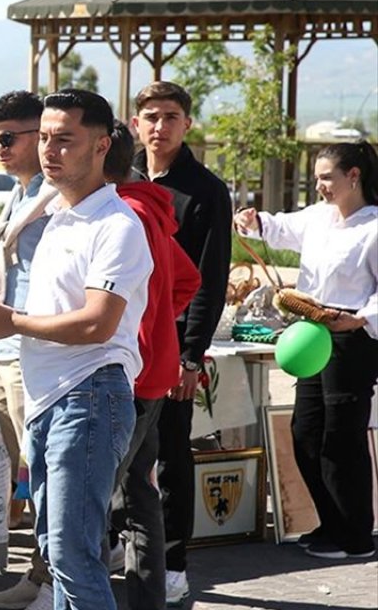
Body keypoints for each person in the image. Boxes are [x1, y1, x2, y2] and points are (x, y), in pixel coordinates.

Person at [0, 89, 152, 610]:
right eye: (45, 138)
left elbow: (98, 323)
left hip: (87, 396)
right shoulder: (59, 216)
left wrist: (13, 322)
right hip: (53, 398)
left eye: (65, 139)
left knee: (73, 556)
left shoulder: (117, 225)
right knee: (57, 552)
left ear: (101, 145)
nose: (50, 150)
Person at [234, 141, 378, 559]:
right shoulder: (318, 217)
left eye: (326, 177)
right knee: (306, 431)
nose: (319, 186)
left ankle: (354, 535)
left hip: (352, 338)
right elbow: (277, 227)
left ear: (354, 176)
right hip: (312, 330)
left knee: (342, 436)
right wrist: (252, 220)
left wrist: (361, 319)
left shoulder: (373, 227)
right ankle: (331, 523)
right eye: (316, 178)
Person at [130, 81, 232, 604]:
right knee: (120, 451)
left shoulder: (206, 190)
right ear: (135, 124)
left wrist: (191, 355)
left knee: (170, 453)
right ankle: (120, 548)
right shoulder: (120, 179)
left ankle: (173, 562)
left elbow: (209, 280)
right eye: (151, 116)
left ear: (187, 124)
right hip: (119, 338)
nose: (160, 126)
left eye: (170, 116)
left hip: (171, 345)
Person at [108, 120, 200, 610]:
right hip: (148, 370)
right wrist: (158, 321)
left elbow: (187, 281)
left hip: (133, 374)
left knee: (100, 499)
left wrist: (144, 326)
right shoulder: (146, 207)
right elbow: (186, 279)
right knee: (139, 494)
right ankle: (148, 599)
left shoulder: (128, 214)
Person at [0, 90, 60, 610]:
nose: (0, 150)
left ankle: (55, 583)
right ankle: (39, 571)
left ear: (40, 135)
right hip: (3, 348)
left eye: (8, 139)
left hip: (37, 349)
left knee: (48, 474)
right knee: (27, 475)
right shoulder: (21, 193)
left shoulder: (57, 199)